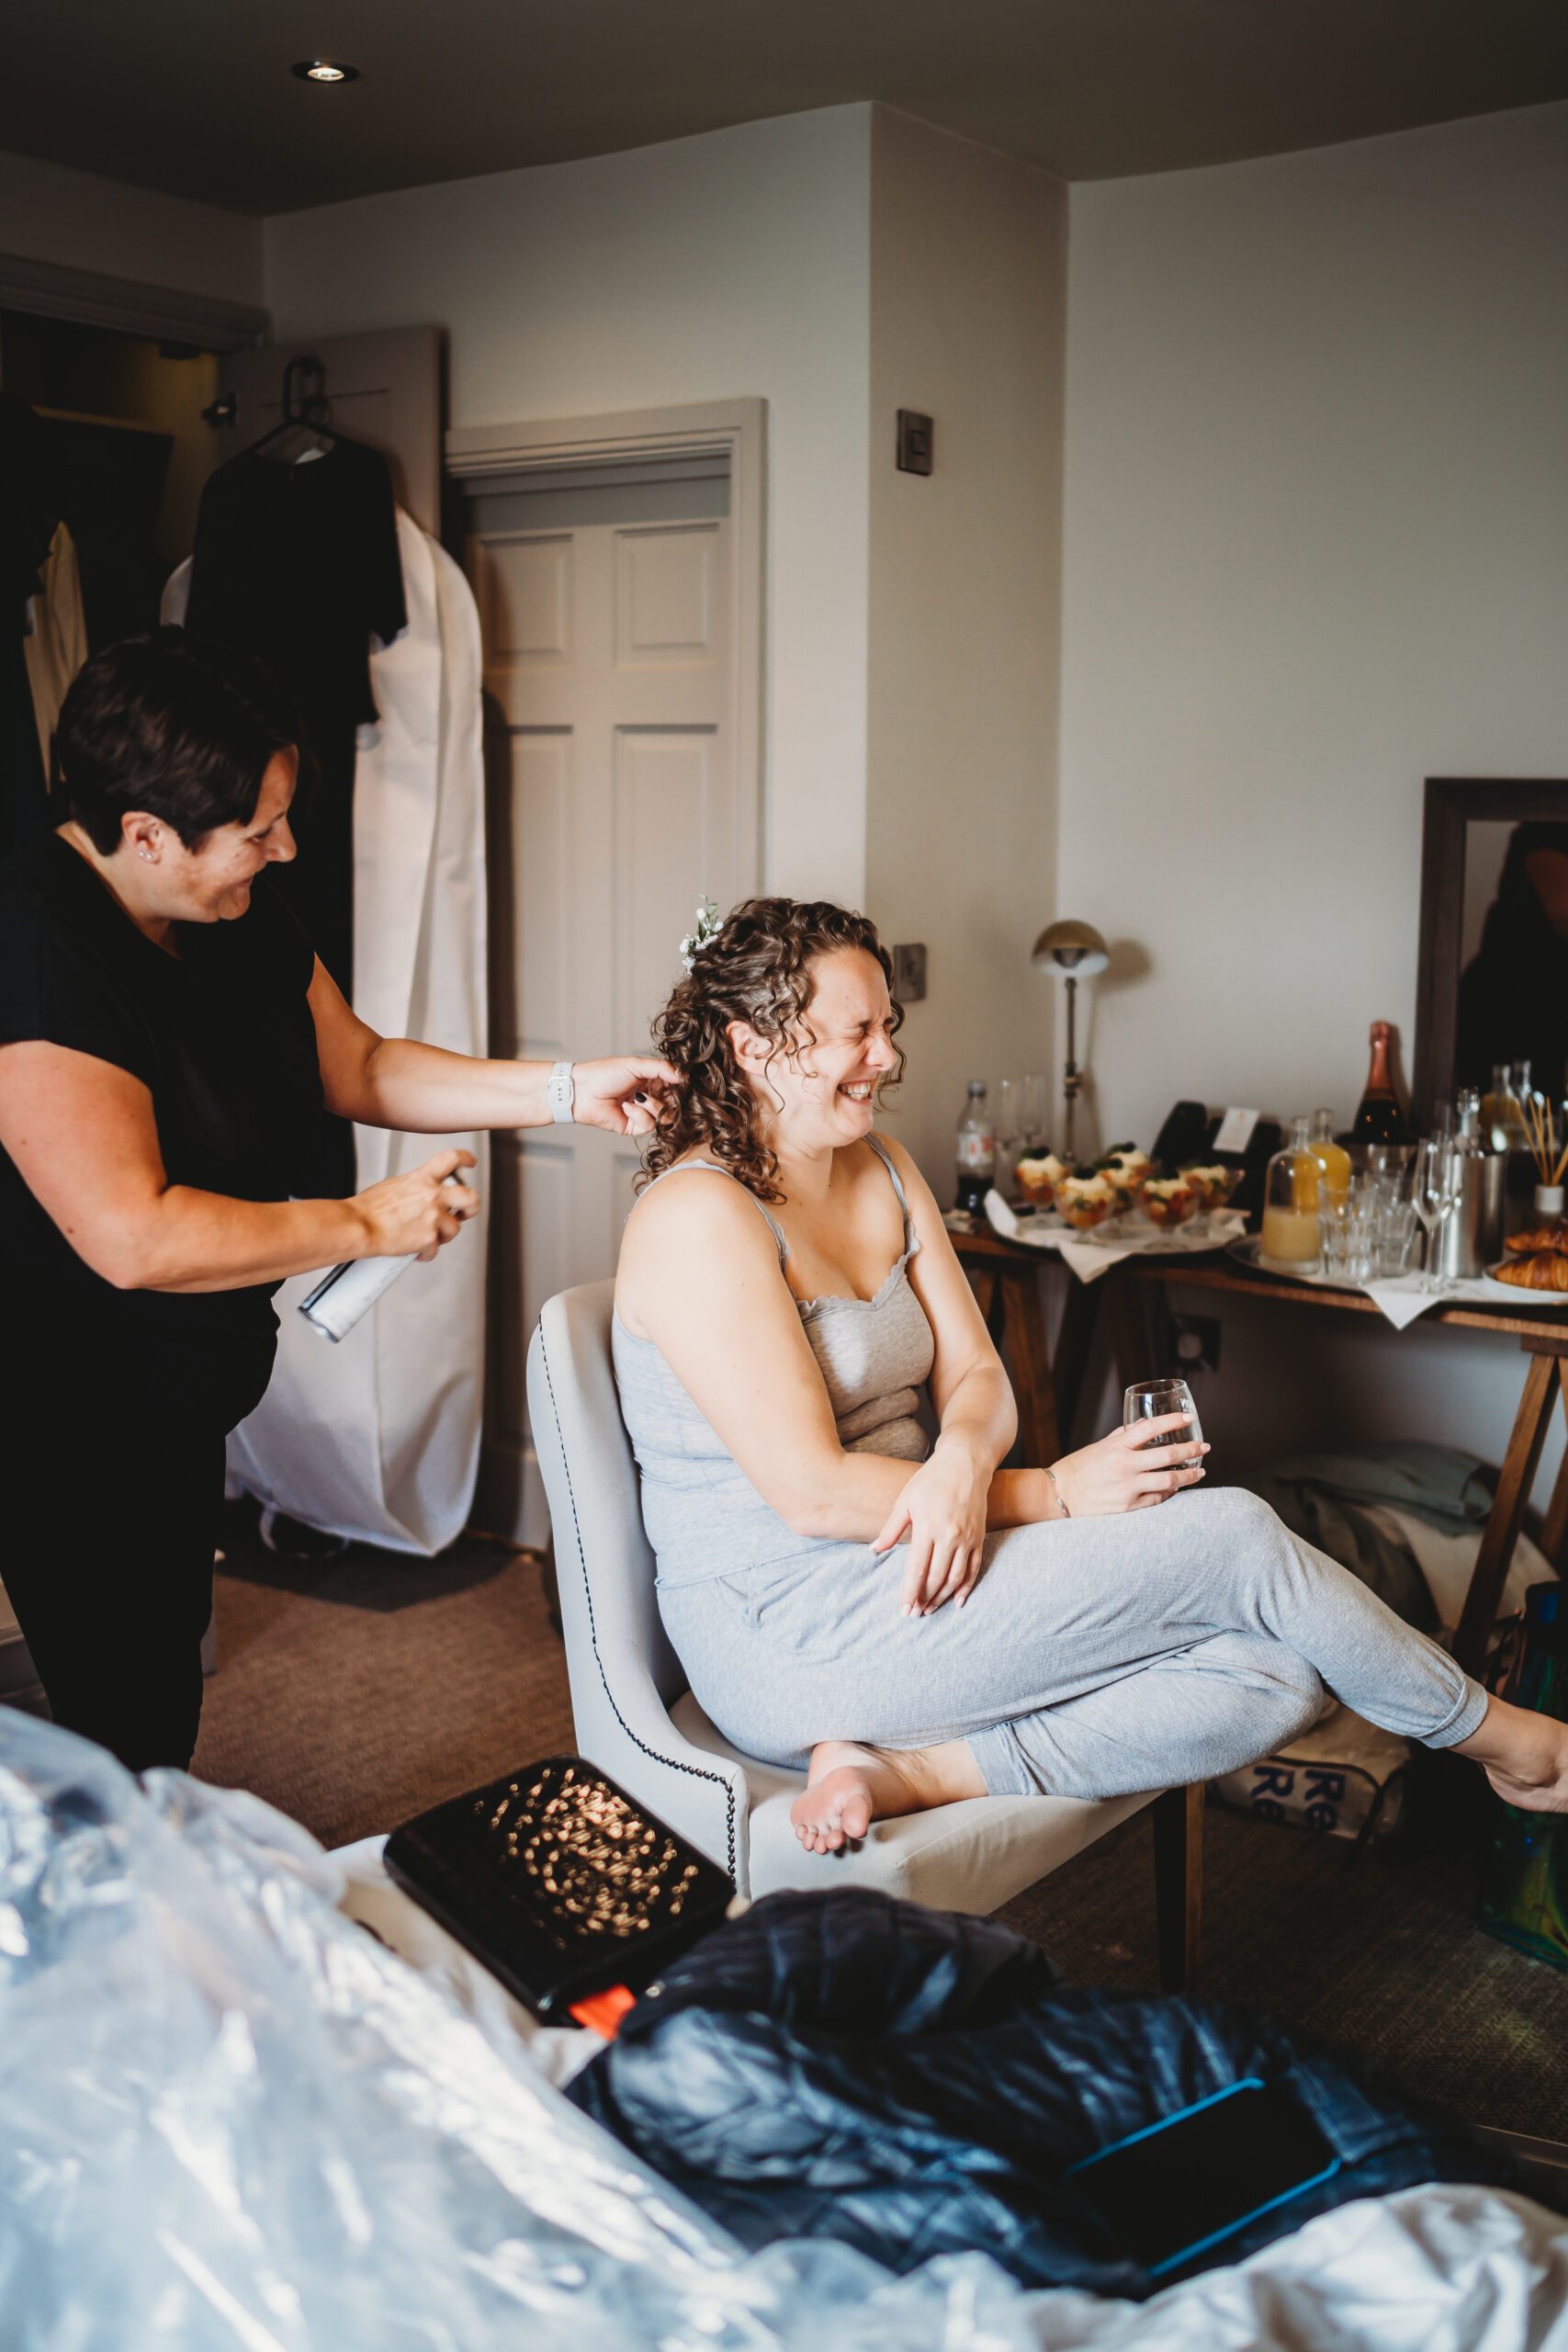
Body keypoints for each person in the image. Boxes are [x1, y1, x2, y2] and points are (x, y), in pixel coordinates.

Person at [613, 896, 1568, 1855]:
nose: (889, 1057)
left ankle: (919, 1770)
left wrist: (959, 1467)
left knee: (1279, 1670)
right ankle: (1506, 1742)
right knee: (1234, 1536)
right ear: (750, 1048)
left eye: (888, 1026)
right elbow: (814, 1493)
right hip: (789, 1624)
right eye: (856, 1032)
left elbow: (981, 1380)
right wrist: (1055, 1491)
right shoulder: (700, 1219)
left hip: (925, 1563)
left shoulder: (887, 1168)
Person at [0, 629, 678, 1772]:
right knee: (128, 1723)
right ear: (147, 835)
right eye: (257, 830)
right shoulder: (37, 949)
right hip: (60, 1408)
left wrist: (570, 1087)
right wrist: (369, 1224)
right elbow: (133, 1233)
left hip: (170, 1388)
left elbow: (357, 1065)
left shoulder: (231, 911)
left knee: (154, 1691)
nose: (286, 845)